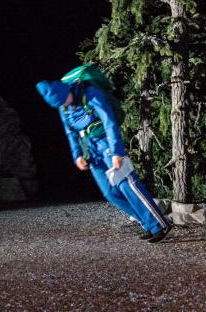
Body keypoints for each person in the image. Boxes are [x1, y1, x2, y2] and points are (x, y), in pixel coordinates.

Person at [36, 79, 172, 243]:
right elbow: (70, 133)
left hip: (106, 143)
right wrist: (77, 155)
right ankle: (148, 224)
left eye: (64, 100)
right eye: (60, 104)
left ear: (66, 91)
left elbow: (109, 121)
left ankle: (159, 224)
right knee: (110, 193)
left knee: (126, 184)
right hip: (91, 151)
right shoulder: (63, 107)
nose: (64, 104)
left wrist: (117, 152)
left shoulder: (89, 93)